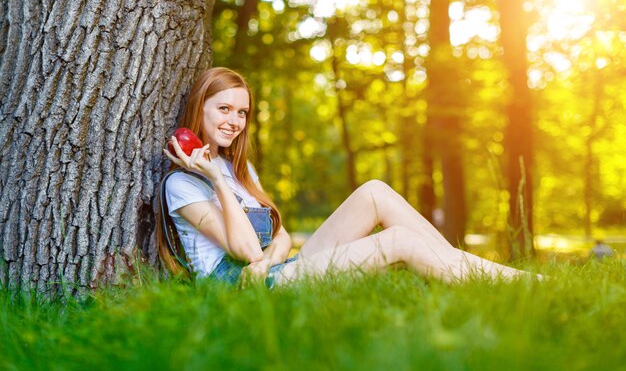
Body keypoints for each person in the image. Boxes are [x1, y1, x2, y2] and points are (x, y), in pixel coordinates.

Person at [157, 67, 538, 288]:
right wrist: (216, 181)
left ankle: (467, 268)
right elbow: (245, 252)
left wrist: (267, 259)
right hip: (244, 291)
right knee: (399, 241)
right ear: (199, 108)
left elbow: (281, 236)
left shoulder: (239, 168)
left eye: (242, 112)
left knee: (375, 191)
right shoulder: (183, 185)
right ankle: (513, 284)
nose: (234, 121)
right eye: (223, 108)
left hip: (273, 273)